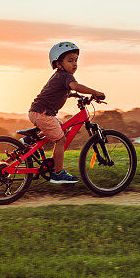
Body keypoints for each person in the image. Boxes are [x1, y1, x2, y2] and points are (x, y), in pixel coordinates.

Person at [28, 42, 105, 184]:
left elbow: (57, 92)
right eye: (70, 60)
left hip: (38, 112)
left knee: (62, 128)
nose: (74, 64)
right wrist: (95, 92)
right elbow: (76, 86)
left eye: (76, 60)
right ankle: (58, 173)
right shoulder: (66, 77)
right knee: (61, 139)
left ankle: (32, 141)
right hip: (43, 114)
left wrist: (76, 96)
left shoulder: (59, 76)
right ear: (58, 63)